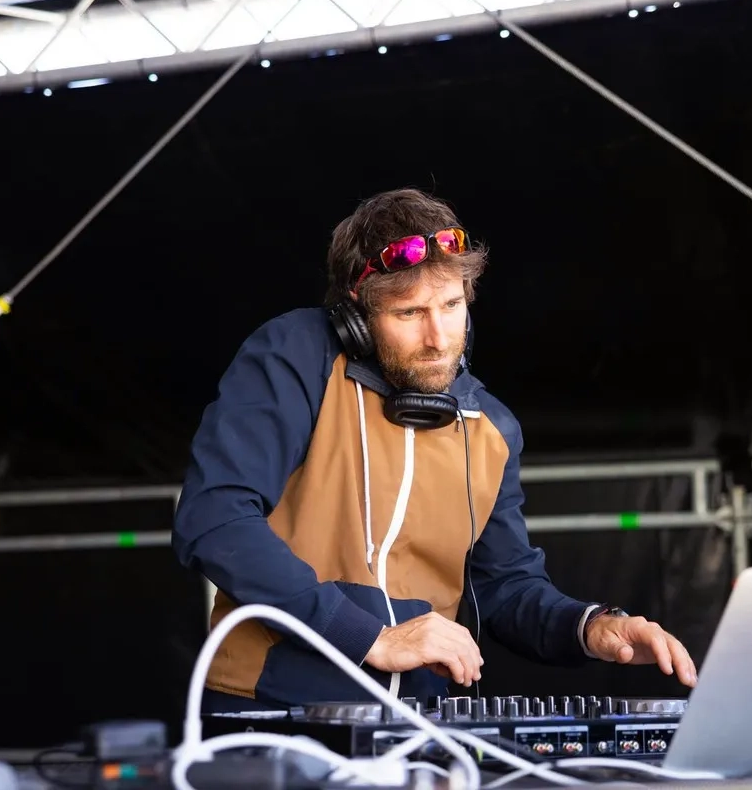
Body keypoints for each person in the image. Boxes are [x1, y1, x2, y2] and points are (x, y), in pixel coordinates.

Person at [172, 188, 697, 712]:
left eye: (451, 305)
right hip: (270, 707)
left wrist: (590, 626)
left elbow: (505, 587)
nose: (439, 338)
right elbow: (215, 517)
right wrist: (369, 636)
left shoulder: (491, 428)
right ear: (355, 316)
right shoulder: (295, 357)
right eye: (409, 313)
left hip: (419, 723)